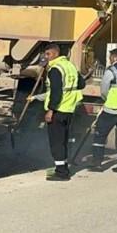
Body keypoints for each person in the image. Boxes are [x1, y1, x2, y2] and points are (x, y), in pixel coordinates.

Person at [40, 43, 83, 181]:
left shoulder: (55, 69)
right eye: (45, 54)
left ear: (55, 53)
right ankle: (64, 166)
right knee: (64, 139)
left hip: (58, 110)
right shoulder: (70, 66)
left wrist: (50, 110)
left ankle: (61, 172)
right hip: (69, 108)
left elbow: (56, 92)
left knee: (56, 142)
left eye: (48, 54)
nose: (46, 57)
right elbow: (81, 84)